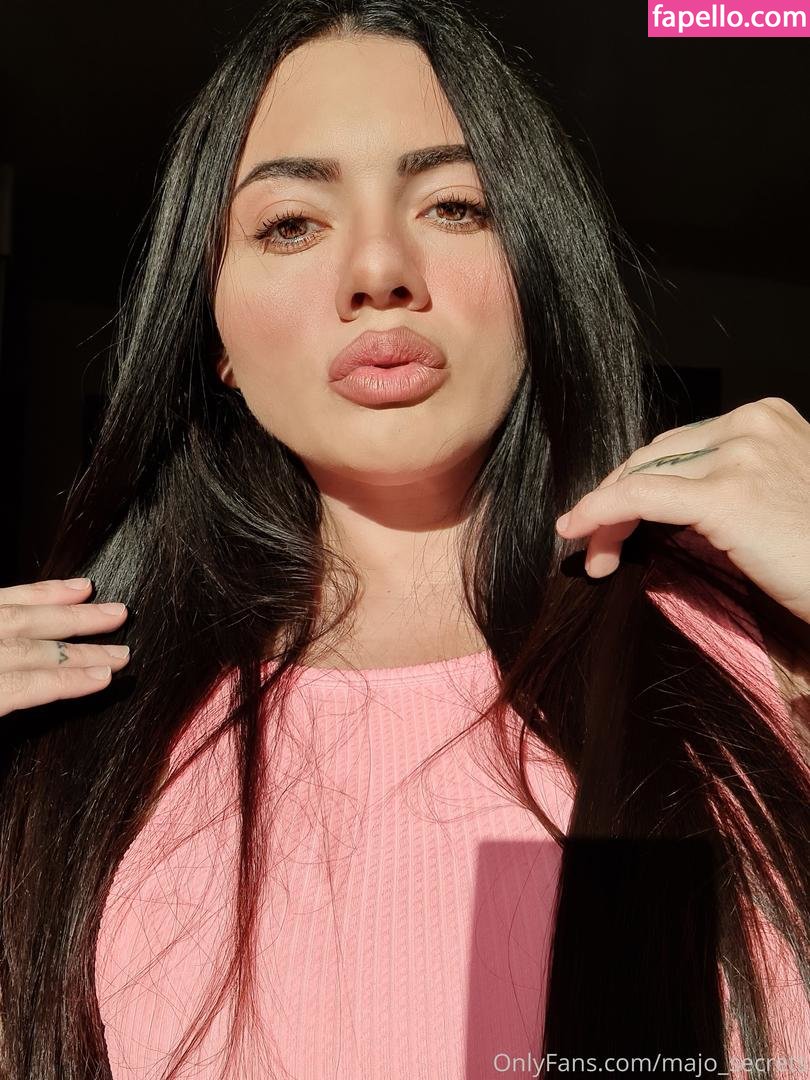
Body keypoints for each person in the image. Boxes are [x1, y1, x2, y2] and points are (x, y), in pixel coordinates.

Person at [1, 2, 808, 1078]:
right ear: (215, 336)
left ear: (537, 279)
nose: (380, 268)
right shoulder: (81, 728)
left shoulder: (741, 648)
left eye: (456, 206)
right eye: (291, 224)